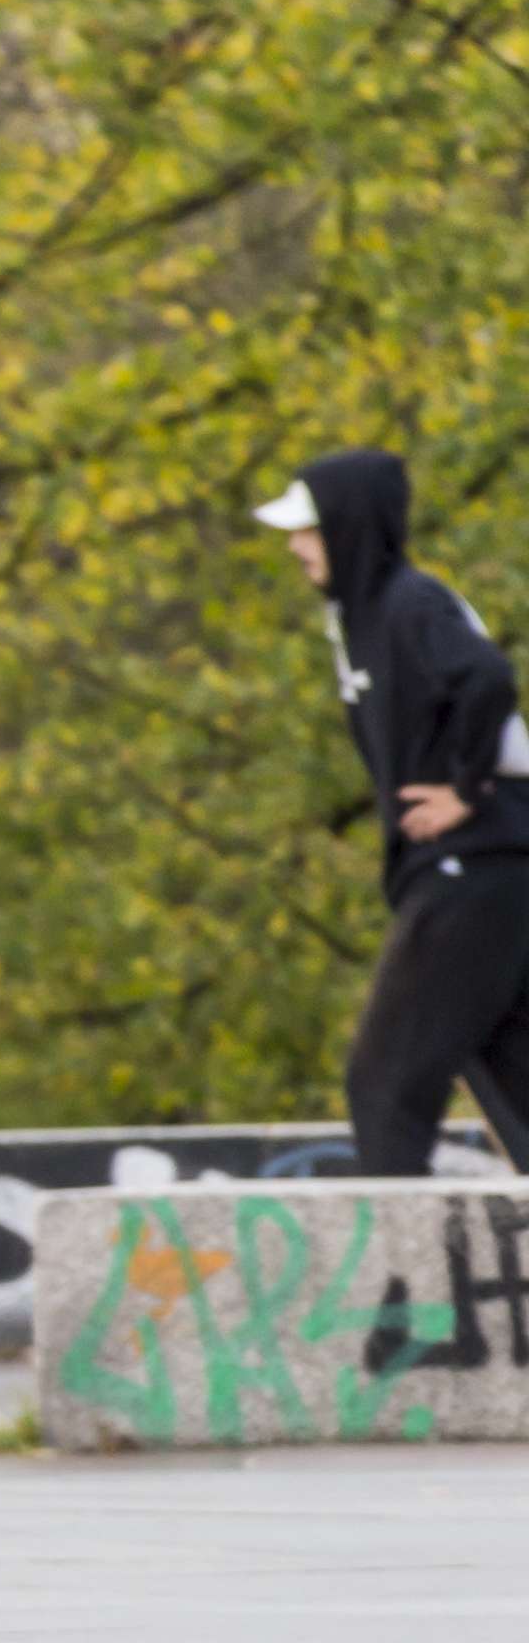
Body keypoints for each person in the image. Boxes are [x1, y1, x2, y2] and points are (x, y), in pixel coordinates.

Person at [259, 452, 529, 1176]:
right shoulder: (359, 618)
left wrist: (464, 791)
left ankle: (402, 1284)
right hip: (490, 873)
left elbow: (487, 679)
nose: (295, 546)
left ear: (348, 527)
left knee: (385, 1080)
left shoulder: (409, 603)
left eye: (307, 530)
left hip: (471, 865)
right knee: (507, 1071)